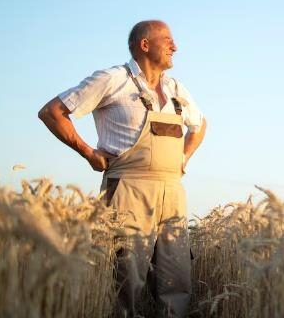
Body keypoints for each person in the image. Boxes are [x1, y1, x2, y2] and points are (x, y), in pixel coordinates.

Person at [38, 20, 207, 317]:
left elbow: (200, 124)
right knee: (124, 280)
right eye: (167, 40)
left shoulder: (176, 88)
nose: (175, 46)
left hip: (173, 194)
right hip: (128, 190)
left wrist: (184, 158)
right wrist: (88, 152)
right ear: (145, 44)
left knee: (176, 281)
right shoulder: (113, 79)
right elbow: (53, 112)